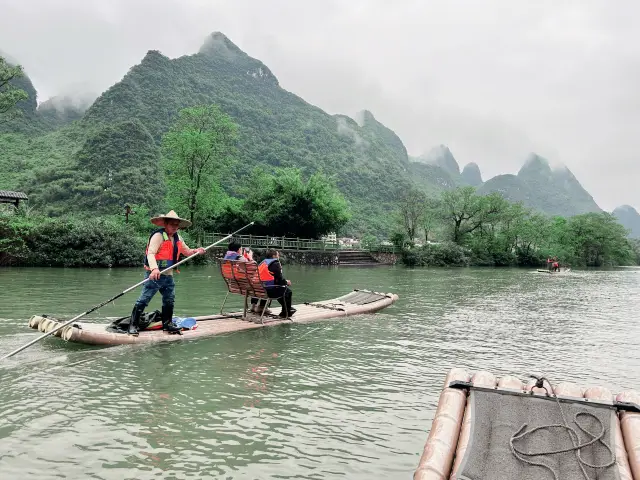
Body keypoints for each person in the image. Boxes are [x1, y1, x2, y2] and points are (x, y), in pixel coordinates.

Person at [128, 210, 205, 336]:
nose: (175, 227)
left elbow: (187, 251)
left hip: (168, 276)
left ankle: (167, 324)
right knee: (144, 299)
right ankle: (133, 325)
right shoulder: (158, 236)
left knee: (169, 300)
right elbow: (150, 253)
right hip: (155, 275)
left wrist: (197, 251)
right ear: (166, 224)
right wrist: (154, 269)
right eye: (172, 224)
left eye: (177, 225)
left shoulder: (178, 238)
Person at [258, 249, 296, 318]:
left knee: (279, 289)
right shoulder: (275, 264)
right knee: (287, 292)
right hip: (269, 290)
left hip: (260, 289)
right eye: (278, 255)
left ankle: (262, 307)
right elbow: (280, 281)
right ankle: (286, 312)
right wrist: (286, 282)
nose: (279, 256)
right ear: (274, 256)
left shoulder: (263, 263)